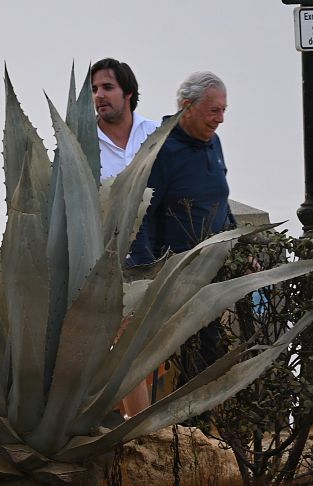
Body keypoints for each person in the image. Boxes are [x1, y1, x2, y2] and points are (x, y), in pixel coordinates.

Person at [129, 71, 237, 379]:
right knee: (185, 360)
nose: (220, 119)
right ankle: (187, 424)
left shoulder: (213, 144)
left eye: (224, 110)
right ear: (188, 107)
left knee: (209, 354)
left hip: (211, 273)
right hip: (175, 276)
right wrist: (146, 274)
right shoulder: (162, 149)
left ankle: (202, 424)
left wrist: (239, 243)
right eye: (214, 110)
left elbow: (221, 198)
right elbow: (142, 217)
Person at [90, 58, 159, 418]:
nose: (99, 96)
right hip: (110, 256)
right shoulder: (85, 142)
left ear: (128, 93)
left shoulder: (155, 133)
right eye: (95, 90)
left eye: (108, 87)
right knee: (126, 340)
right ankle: (141, 428)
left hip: (155, 250)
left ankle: (131, 421)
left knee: (150, 345)